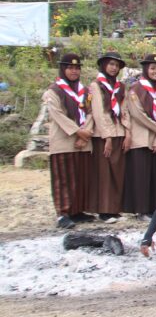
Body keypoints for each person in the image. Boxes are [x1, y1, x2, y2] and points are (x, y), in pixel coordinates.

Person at [45, 52, 95, 228]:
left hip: (83, 142)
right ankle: (63, 213)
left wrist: (86, 133)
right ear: (63, 69)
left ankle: (77, 210)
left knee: (81, 177)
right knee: (63, 178)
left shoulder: (85, 91)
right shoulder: (54, 91)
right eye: (70, 68)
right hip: (64, 141)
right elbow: (57, 115)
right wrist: (78, 132)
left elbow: (91, 113)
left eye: (76, 68)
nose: (74, 71)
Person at [124, 53, 156, 216]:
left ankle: (155, 209)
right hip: (140, 139)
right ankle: (141, 210)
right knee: (140, 176)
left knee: (155, 177)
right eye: (153, 68)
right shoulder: (136, 89)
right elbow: (137, 114)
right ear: (146, 69)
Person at [88, 52, 128, 222]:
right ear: (103, 65)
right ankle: (104, 210)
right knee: (104, 172)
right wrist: (108, 137)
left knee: (117, 172)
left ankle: (114, 209)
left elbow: (124, 110)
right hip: (103, 135)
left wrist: (127, 132)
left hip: (119, 131)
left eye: (116, 65)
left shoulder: (120, 87)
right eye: (111, 64)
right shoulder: (96, 85)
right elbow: (99, 112)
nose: (113, 68)